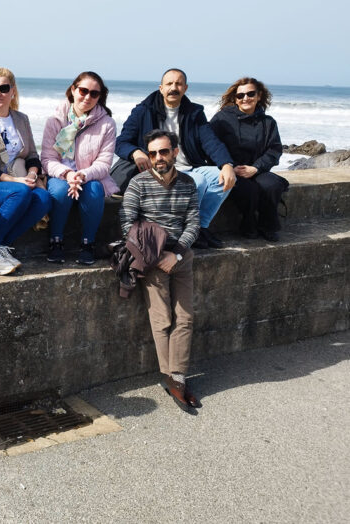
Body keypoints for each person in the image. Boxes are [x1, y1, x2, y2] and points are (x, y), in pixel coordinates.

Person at [119, 129, 202, 411]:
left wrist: (176, 254)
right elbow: (127, 224)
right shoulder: (138, 183)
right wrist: (155, 256)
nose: (158, 158)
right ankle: (173, 380)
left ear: (175, 152)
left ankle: (176, 377)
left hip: (180, 256)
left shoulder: (188, 183)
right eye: (153, 153)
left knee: (185, 318)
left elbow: (194, 223)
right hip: (151, 259)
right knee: (162, 318)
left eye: (164, 152)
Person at [112, 68, 236, 248]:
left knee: (222, 177)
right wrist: (135, 152)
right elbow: (121, 141)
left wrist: (226, 164)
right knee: (198, 181)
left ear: (185, 88)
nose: (173, 88)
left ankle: (199, 227)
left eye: (178, 84)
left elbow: (211, 141)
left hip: (189, 166)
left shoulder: (194, 113)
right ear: (161, 88)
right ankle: (185, 229)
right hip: (159, 168)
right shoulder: (144, 111)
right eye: (169, 83)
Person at [0, 68, 51, 274]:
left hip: (19, 180)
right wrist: (16, 181)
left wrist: (31, 175)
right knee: (20, 192)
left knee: (43, 198)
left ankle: (0, 247)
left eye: (4, 88)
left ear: (13, 91)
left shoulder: (21, 119)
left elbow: (32, 154)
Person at [41, 71, 119, 265]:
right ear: (73, 90)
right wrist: (68, 174)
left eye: (94, 93)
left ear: (100, 97)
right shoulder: (55, 120)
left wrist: (82, 175)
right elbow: (48, 158)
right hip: (60, 174)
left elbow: (104, 163)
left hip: (90, 175)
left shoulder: (107, 124)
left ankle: (88, 243)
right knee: (60, 191)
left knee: (94, 191)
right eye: (83, 90)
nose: (87, 97)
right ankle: (56, 241)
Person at [211, 78, 288, 241]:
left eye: (250, 94)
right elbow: (211, 146)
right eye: (240, 95)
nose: (245, 98)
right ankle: (248, 223)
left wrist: (256, 168)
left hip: (257, 169)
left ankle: (268, 225)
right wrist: (227, 166)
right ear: (235, 99)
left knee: (272, 185)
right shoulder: (221, 119)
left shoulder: (268, 122)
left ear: (259, 96)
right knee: (248, 190)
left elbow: (274, 150)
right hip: (231, 170)